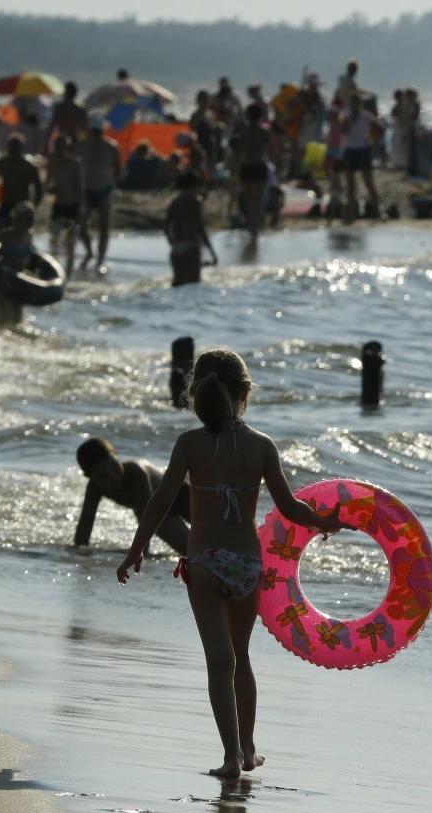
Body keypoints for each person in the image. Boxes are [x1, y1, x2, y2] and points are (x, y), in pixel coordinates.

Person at [116, 348, 349, 779]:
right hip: (247, 565)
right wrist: (325, 523)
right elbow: (290, 508)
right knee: (240, 656)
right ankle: (247, 750)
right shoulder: (261, 446)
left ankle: (229, 758)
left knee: (219, 660)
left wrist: (136, 549)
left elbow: (160, 501)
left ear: (195, 395)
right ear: (245, 394)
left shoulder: (189, 444)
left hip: (204, 563)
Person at [74, 438, 191, 555]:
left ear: (116, 455)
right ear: (90, 477)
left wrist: (140, 551)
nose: (114, 477)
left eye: (115, 467)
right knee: (193, 552)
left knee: (208, 535)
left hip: (181, 496)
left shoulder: (136, 472)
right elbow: (86, 522)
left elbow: (147, 517)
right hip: (159, 513)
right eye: (104, 475)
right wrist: (79, 553)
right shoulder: (94, 487)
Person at [0, 201, 37, 326]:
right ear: (17, 219)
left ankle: (12, 344)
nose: (30, 221)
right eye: (27, 218)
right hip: (1, 282)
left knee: (16, 321)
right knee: (0, 322)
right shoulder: (7, 235)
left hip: (18, 283)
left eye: (31, 217)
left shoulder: (29, 235)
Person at [76, 117, 121, 269]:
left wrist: (107, 180)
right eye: (93, 132)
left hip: (104, 190)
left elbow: (118, 170)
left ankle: (100, 258)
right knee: (80, 226)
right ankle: (89, 252)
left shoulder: (111, 147)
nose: (95, 136)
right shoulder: (81, 146)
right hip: (86, 191)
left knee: (104, 226)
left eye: (98, 132)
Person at [0, 133, 42, 230]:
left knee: (22, 235)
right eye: (12, 147)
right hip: (7, 203)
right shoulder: (4, 163)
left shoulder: (28, 166)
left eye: (16, 147)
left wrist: (34, 205)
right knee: (1, 233)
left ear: (22, 148)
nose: (13, 149)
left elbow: (39, 188)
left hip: (22, 205)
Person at [166, 170, 217, 286]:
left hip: (177, 248)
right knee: (193, 285)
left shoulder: (175, 203)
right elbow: (200, 228)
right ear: (194, 186)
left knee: (177, 284)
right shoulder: (195, 202)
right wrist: (212, 252)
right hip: (191, 248)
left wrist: (173, 244)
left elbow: (166, 227)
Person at [48, 134, 86, 276]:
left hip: (73, 205)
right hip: (59, 204)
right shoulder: (54, 163)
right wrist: (52, 189)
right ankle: (53, 269)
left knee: (70, 242)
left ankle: (68, 273)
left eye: (61, 146)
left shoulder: (75, 163)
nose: (59, 149)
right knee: (54, 240)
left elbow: (81, 187)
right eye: (57, 146)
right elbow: (50, 184)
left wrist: (82, 208)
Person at [232, 103, 272, 241]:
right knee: (258, 199)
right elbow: (269, 150)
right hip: (259, 164)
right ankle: (256, 226)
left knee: (249, 198)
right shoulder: (265, 131)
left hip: (247, 165)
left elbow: (239, 152)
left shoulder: (244, 131)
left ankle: (251, 226)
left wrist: (235, 170)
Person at [340, 94, 381, 223]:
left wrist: (373, 142)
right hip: (350, 149)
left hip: (363, 148)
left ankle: (379, 211)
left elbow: (380, 128)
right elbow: (343, 130)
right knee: (350, 184)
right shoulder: (346, 115)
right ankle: (351, 214)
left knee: (368, 182)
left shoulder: (366, 116)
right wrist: (349, 120)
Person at [45, 81, 88, 153]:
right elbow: (85, 128)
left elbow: (52, 125)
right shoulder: (81, 109)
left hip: (61, 139)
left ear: (66, 93)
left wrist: (46, 141)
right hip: (74, 138)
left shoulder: (60, 107)